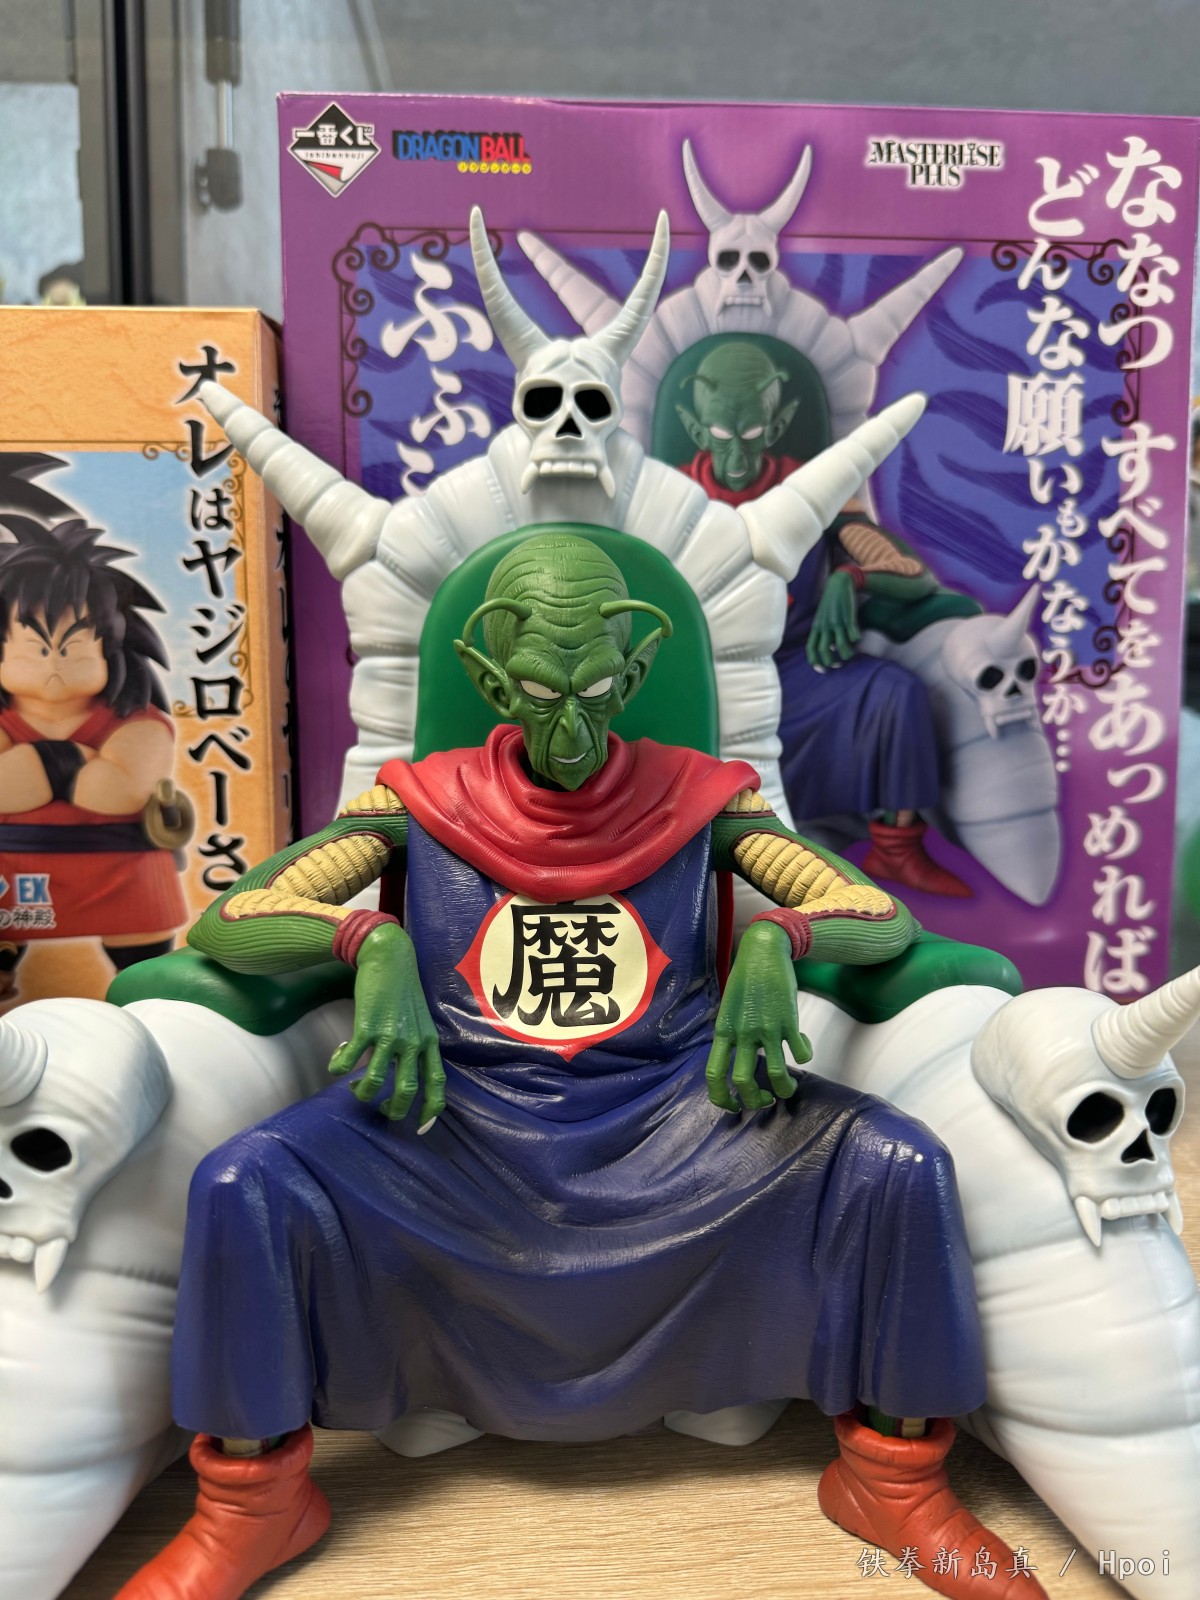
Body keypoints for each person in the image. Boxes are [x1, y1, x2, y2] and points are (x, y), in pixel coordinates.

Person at [117, 532, 1042, 1600]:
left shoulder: (704, 799)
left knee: (894, 1163)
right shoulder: (417, 801)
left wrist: (776, 938)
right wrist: (364, 940)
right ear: (490, 680)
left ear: (634, 674)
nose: (570, 725)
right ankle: (254, 1500)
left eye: (596, 691)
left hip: (680, 1117)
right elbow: (235, 921)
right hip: (452, 1123)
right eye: (540, 692)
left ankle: (892, 1479)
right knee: (246, 1181)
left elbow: (875, 915)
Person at [676, 340, 971, 898]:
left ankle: (896, 849)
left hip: (797, 667)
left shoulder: (816, 487)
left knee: (897, 693)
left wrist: (851, 577)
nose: (736, 455)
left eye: (752, 433)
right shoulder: (670, 495)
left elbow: (910, 574)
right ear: (694, 428)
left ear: (778, 422)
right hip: (701, 675)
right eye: (720, 434)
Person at [0, 517, 187, 998]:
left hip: (122, 869)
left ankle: (148, 992)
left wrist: (40, 764)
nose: (54, 661)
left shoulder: (139, 723)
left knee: (146, 975)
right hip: (12, 872)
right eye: (35, 646)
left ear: (112, 646)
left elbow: (118, 792)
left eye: (73, 645)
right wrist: (73, 761)